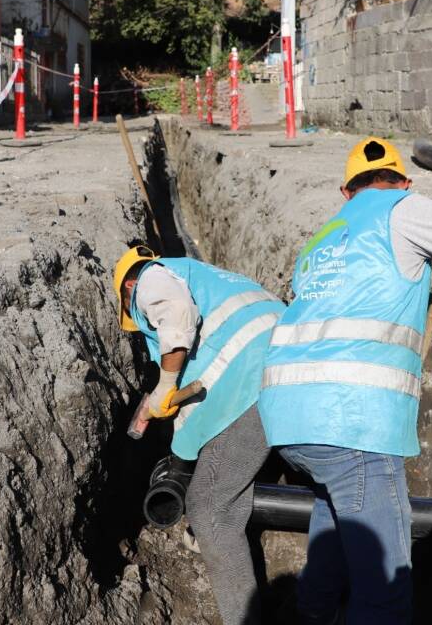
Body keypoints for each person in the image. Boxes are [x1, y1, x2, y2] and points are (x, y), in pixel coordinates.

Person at [258, 137, 432, 624]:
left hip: (289, 420)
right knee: (384, 591)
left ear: (346, 192)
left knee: (331, 550)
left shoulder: (322, 238)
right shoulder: (404, 208)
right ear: (404, 182)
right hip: (354, 424)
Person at [114, 245, 285, 624]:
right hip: (299, 360)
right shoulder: (209, 278)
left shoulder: (148, 277)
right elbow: (204, 405)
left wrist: (166, 383)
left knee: (211, 510)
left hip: (257, 375)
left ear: (128, 285)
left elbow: (176, 315)